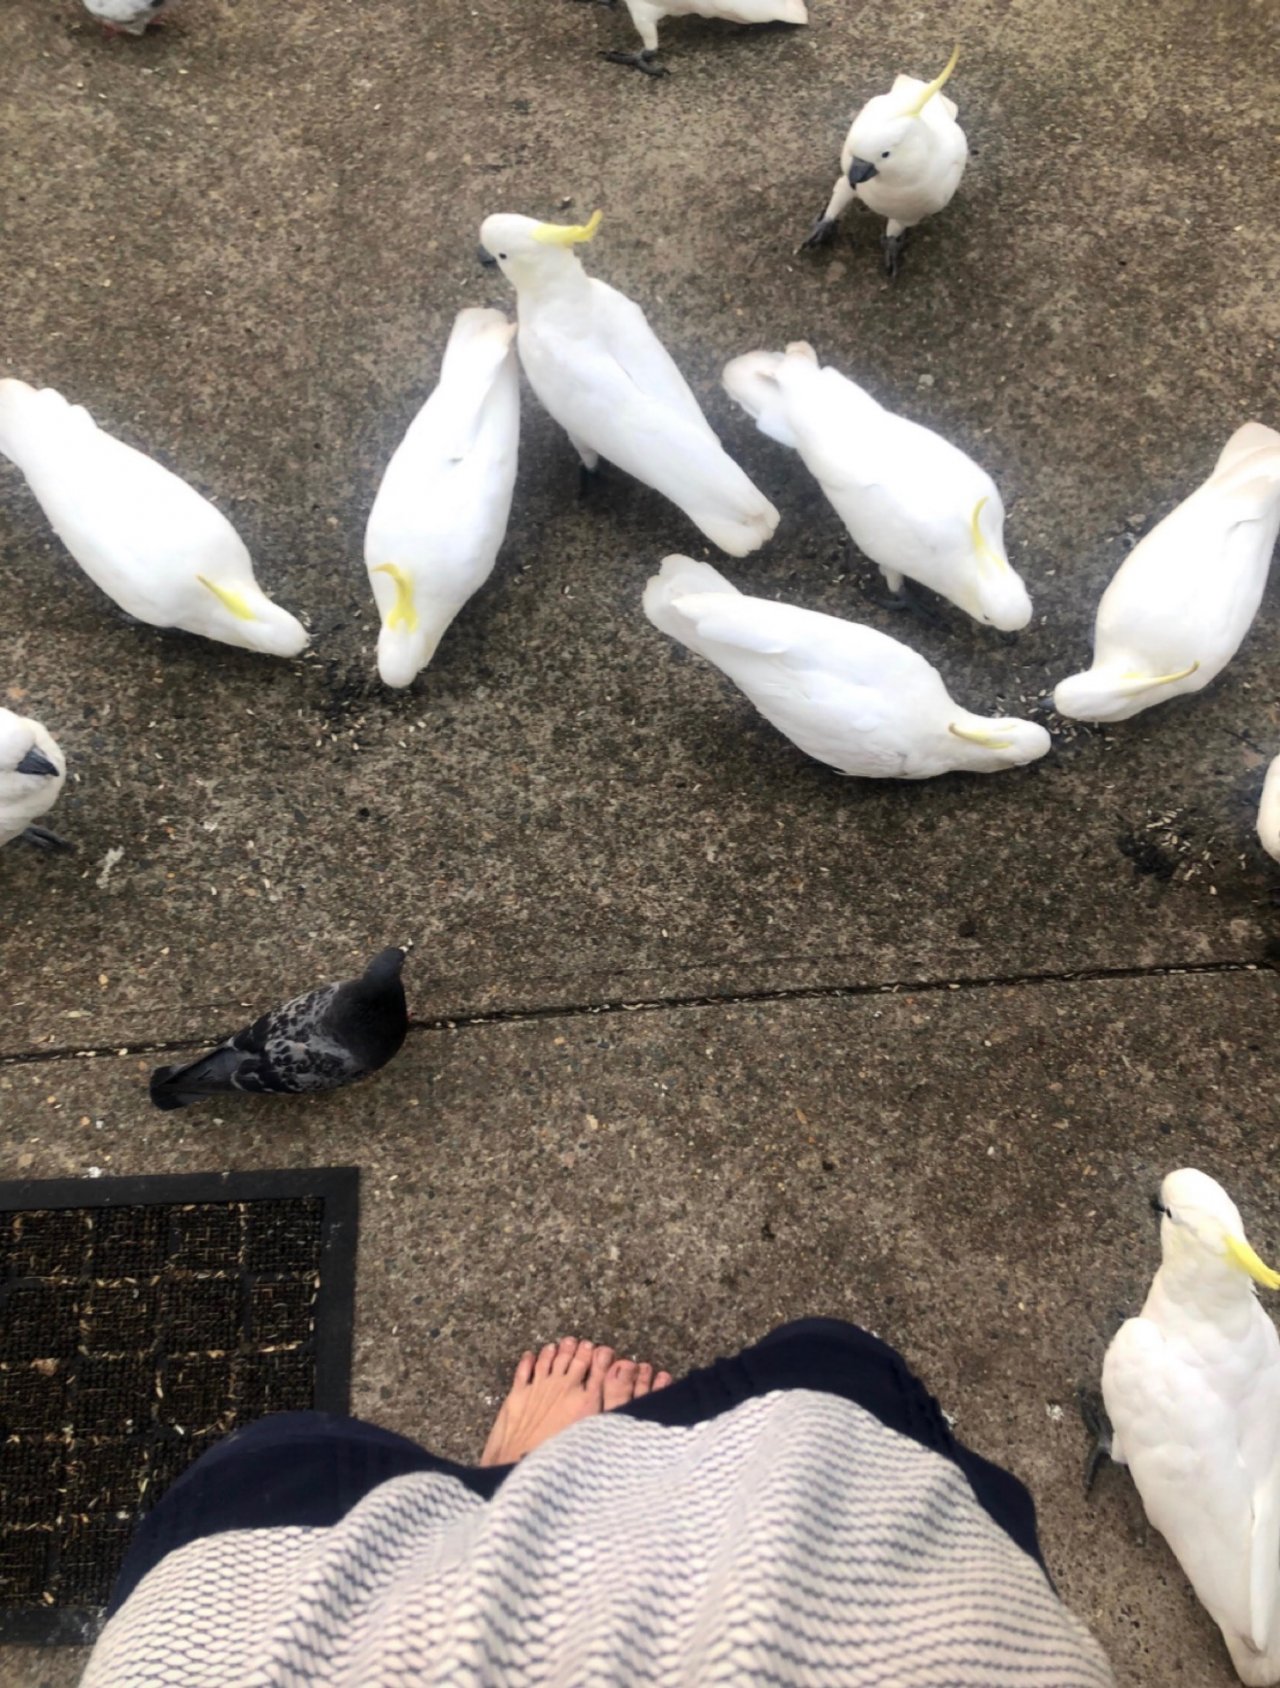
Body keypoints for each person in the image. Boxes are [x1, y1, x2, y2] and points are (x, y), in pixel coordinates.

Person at [81, 1320, 1113, 1685]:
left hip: (252, 1635)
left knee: (283, 1450)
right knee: (830, 1362)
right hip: (858, 1596)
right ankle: (552, 1485)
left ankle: (522, 1487)